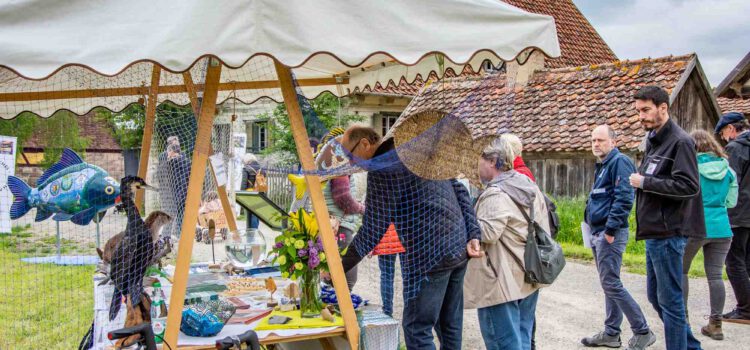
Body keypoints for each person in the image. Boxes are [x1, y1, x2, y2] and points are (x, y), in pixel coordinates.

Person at [339, 125, 482, 350]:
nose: (351, 163)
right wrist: (473, 232)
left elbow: (373, 228)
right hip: (457, 246)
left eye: (350, 155)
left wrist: (339, 267)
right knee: (449, 325)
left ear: (365, 144)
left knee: (417, 328)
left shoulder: (383, 165)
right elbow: (458, 188)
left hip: (429, 253)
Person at [629, 85, 704, 350]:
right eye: (638, 111)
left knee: (671, 302)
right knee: (655, 296)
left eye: (646, 110)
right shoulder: (654, 139)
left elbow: (689, 186)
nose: (641, 116)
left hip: (670, 232)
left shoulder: (680, 141)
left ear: (664, 108)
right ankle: (692, 347)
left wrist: (646, 182)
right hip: (654, 233)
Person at [463, 136, 548, 350]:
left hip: (500, 281)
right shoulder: (526, 184)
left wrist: (461, 220)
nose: (475, 165)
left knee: (503, 343)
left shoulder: (496, 193)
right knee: (522, 338)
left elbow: (488, 232)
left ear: (492, 161)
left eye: (478, 159)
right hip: (527, 271)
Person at [581, 125, 655, 349]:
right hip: (598, 231)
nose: (596, 144)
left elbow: (624, 198)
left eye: (601, 140)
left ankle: (642, 330)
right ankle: (611, 333)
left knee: (611, 283)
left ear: (613, 141)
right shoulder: (602, 164)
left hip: (609, 233)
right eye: (593, 140)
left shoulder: (619, 162)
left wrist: (610, 232)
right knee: (608, 283)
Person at [682, 130, 738, 340]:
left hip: (695, 225)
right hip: (722, 227)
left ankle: (683, 319)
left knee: (681, 271)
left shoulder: (691, 168)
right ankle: (716, 323)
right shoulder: (729, 170)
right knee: (715, 276)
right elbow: (731, 202)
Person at [715, 111, 750, 324]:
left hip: (738, 213)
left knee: (734, 262)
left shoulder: (735, 149)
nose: (722, 139)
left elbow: (729, 182)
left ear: (730, 129)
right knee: (748, 260)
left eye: (722, 134)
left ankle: (745, 309)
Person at [167, 143, 190, 238]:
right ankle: (181, 233)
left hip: (176, 191)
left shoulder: (172, 162)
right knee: (181, 213)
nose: (167, 154)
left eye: (168, 151)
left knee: (174, 213)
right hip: (185, 190)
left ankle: (176, 234)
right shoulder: (187, 161)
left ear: (172, 151)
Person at [241, 153, 261, 231]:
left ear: (247, 160)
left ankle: (252, 232)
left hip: (249, 193)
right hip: (260, 193)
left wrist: (241, 194)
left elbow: (244, 183)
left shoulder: (246, 169)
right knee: (256, 213)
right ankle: (256, 230)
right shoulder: (261, 168)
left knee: (250, 213)